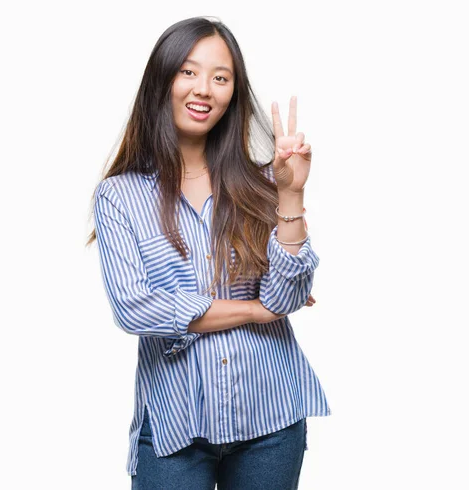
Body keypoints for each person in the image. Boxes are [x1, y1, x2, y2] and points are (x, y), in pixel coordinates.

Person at [86, 16, 331, 490]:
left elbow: (287, 295)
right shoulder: (120, 197)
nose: (205, 89)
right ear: (162, 79)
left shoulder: (261, 184)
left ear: (233, 95)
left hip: (271, 417)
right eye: (188, 72)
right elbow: (135, 308)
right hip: (176, 427)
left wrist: (291, 194)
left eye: (221, 78)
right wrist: (254, 310)